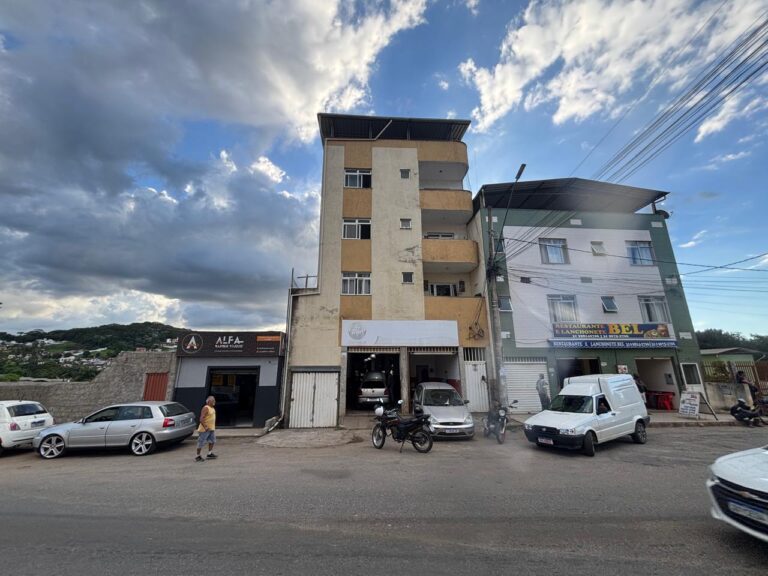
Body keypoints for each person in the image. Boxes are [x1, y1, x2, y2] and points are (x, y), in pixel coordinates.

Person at [195, 396, 217, 462]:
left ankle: (209, 453)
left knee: (212, 441)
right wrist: (205, 427)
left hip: (211, 429)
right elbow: (201, 419)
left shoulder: (212, 408)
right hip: (204, 430)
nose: (214, 402)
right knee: (201, 442)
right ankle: (198, 456)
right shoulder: (206, 408)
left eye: (214, 400)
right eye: (213, 400)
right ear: (208, 401)